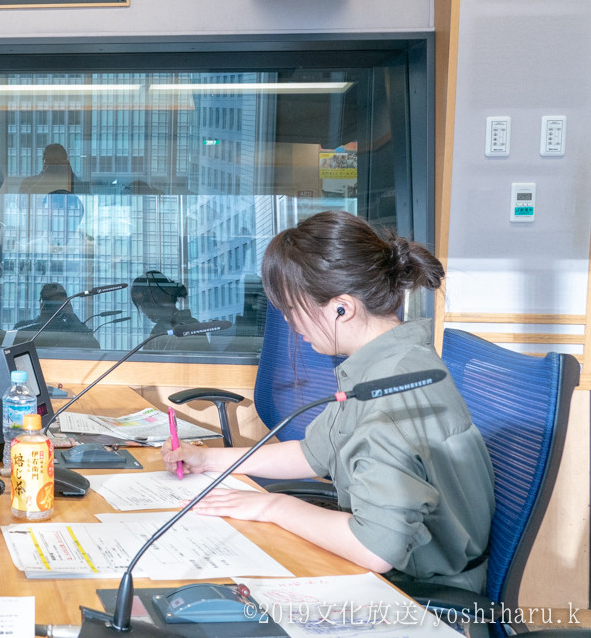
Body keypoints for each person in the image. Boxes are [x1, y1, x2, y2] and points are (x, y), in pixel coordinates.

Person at [161, 211, 494, 592]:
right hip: (396, 574)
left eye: (293, 309)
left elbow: (374, 549)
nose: (291, 323)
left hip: (420, 594)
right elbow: (312, 452)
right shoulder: (387, 362)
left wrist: (272, 506)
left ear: (342, 308)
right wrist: (208, 460)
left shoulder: (388, 394)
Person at [14, 282, 99, 349]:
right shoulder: (23, 327)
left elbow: (93, 346)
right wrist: (42, 319)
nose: (52, 306)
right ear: (41, 303)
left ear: (64, 304)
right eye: (48, 301)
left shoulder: (70, 329)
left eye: (57, 302)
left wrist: (71, 315)